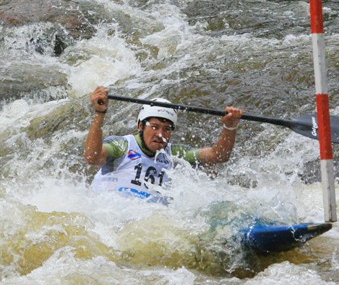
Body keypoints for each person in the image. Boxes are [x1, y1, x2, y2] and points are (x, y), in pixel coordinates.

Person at [83, 86, 244, 201]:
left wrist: (230, 127)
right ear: (140, 126)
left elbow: (218, 156)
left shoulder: (174, 153)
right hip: (109, 212)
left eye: (167, 129)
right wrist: (100, 113)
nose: (160, 134)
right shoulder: (122, 145)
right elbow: (92, 157)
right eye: (154, 127)